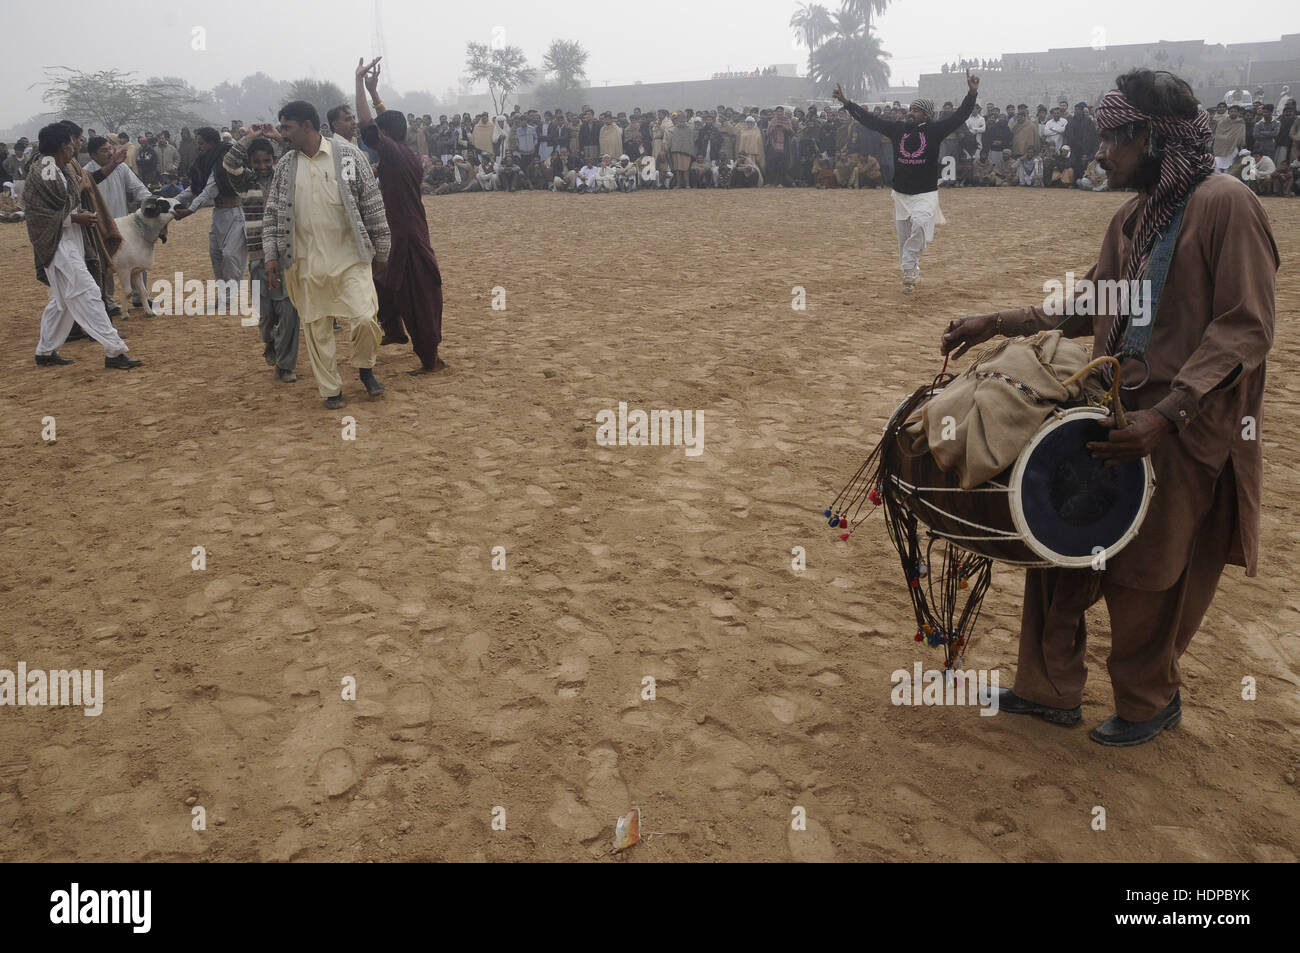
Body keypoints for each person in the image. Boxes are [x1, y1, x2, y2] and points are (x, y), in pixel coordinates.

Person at [940, 69, 1277, 747]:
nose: (1101, 154)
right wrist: (998, 321)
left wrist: (1168, 414)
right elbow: (1089, 302)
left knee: (1146, 572)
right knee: (1054, 539)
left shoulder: (1226, 203)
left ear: (1152, 135)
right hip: (1109, 410)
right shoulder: (1132, 218)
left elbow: (1244, 326)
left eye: (1112, 140)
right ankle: (1047, 688)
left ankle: (1150, 701)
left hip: (1182, 427)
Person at [262, 99, 391, 409]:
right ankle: (331, 389)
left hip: (350, 257)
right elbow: (273, 213)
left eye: (287, 127)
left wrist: (382, 249)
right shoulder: (285, 167)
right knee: (317, 327)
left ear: (307, 126)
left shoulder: (346, 156)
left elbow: (371, 204)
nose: (283, 133)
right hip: (304, 261)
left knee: (364, 318)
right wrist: (271, 255)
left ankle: (365, 367)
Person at [834, 69, 980, 292]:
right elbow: (870, 120)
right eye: (911, 108)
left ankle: (909, 264)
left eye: (917, 110)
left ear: (927, 115)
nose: (911, 112)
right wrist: (847, 103)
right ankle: (910, 274)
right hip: (901, 194)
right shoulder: (898, 129)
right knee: (903, 240)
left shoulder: (935, 130)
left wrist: (972, 93)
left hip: (925, 193)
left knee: (920, 225)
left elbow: (960, 115)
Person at [355, 58, 447, 376]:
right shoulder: (405, 150)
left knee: (414, 293)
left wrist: (358, 84)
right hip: (409, 230)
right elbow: (386, 125)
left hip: (405, 233)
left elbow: (369, 127)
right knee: (387, 283)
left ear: (387, 136)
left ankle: (427, 355)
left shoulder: (392, 151)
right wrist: (375, 93)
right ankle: (395, 329)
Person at [25, 123, 139, 370]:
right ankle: (115, 351)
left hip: (70, 239)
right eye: (72, 142)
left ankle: (45, 351)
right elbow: (38, 213)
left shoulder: (60, 167)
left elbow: (82, 186)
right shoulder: (45, 171)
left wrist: (113, 164)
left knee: (62, 301)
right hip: (57, 242)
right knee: (87, 291)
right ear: (62, 146)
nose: (75, 147)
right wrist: (75, 218)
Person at [224, 127, 300, 383]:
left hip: (286, 253)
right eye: (257, 162)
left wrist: (279, 136)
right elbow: (230, 162)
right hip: (258, 254)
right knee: (266, 316)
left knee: (290, 310)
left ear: (274, 160)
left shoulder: (284, 177)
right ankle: (270, 342)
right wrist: (251, 137)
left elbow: (296, 155)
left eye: (267, 161)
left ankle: (286, 365)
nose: (263, 166)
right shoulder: (244, 182)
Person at [172, 127, 247, 312]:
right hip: (218, 213)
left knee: (230, 255)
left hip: (236, 213)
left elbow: (209, 190)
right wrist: (172, 201)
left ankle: (231, 296)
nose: (198, 147)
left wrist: (190, 210)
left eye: (201, 143)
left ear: (212, 143)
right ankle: (224, 296)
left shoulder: (222, 161)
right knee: (216, 255)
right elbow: (195, 187)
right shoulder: (205, 161)